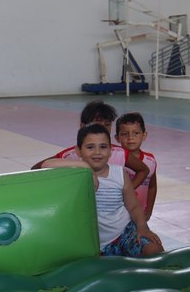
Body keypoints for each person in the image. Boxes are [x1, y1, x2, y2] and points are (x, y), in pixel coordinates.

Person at [42, 123, 164, 256]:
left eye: (103, 147)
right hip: (91, 243)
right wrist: (84, 166)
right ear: (78, 151)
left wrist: (142, 227)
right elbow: (45, 165)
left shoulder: (118, 174)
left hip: (123, 233)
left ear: (111, 150)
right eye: (90, 147)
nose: (97, 152)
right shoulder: (73, 175)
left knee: (153, 250)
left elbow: (134, 207)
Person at [31, 100, 149, 189]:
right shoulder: (71, 155)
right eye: (97, 123)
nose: (103, 128)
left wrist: (127, 191)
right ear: (82, 126)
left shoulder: (120, 153)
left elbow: (143, 170)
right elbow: (36, 169)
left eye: (107, 124)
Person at [115, 112, 157, 220]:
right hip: (118, 216)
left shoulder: (150, 160)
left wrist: (149, 210)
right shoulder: (115, 160)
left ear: (144, 135)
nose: (130, 138)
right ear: (117, 138)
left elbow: (152, 187)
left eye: (136, 133)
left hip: (140, 215)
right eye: (124, 134)